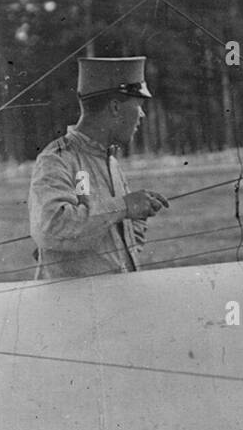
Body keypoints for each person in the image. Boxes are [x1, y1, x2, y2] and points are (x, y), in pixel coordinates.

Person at [29, 56, 168, 279]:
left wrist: (138, 218)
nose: (141, 115)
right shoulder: (57, 159)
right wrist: (123, 207)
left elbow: (118, 245)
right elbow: (51, 227)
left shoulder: (109, 161)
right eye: (138, 106)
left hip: (113, 302)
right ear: (115, 107)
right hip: (75, 308)